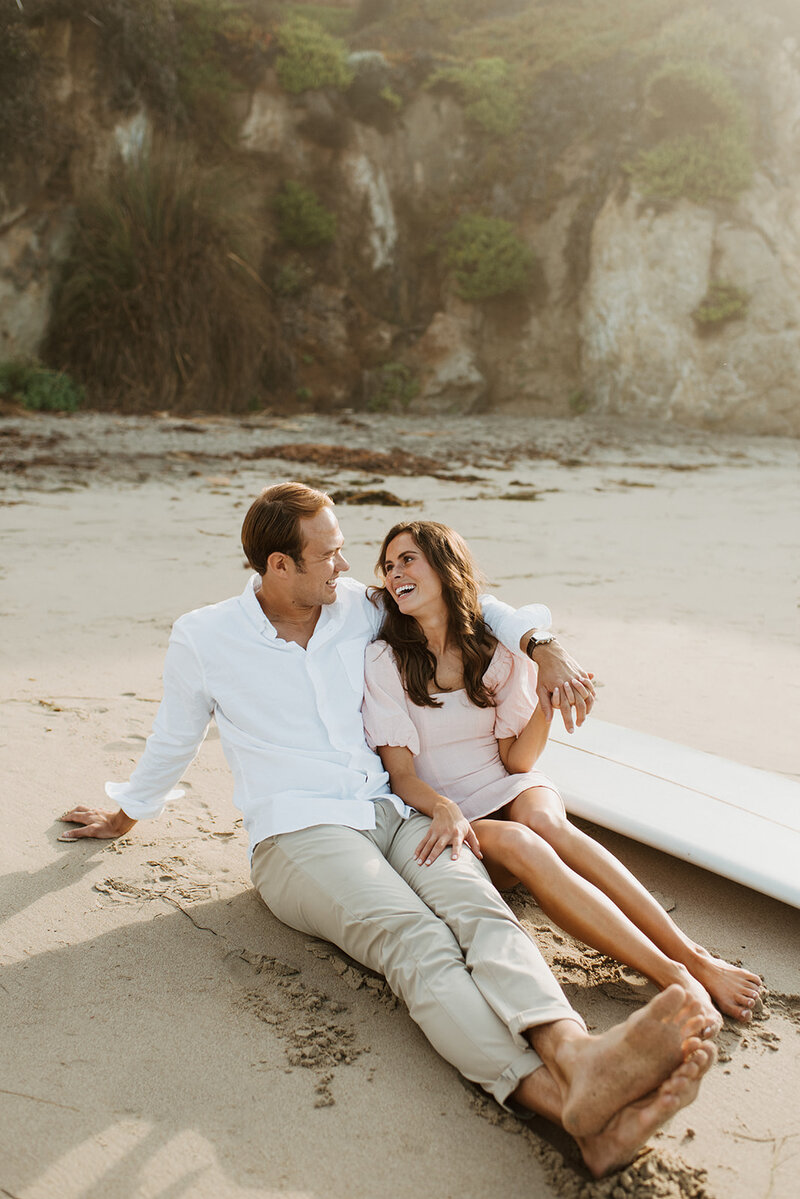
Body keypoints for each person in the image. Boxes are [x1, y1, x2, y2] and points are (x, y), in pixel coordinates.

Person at [60, 483, 715, 1178]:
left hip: (393, 811)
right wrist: (127, 812)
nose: (347, 566)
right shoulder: (204, 635)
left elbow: (469, 600)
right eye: (330, 553)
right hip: (298, 836)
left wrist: (543, 644)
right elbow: (173, 739)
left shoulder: (355, 609)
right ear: (279, 566)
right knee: (418, 938)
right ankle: (559, 1102)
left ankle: (577, 1055)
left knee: (479, 908)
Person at [362, 520, 762, 1033]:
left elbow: (517, 763)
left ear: (444, 567)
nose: (395, 574)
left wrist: (545, 706)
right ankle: (674, 974)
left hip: (505, 786)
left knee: (547, 823)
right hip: (450, 813)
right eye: (389, 566)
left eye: (408, 560)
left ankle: (694, 954)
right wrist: (443, 806)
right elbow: (401, 774)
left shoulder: (494, 649)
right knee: (526, 845)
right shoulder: (384, 658)